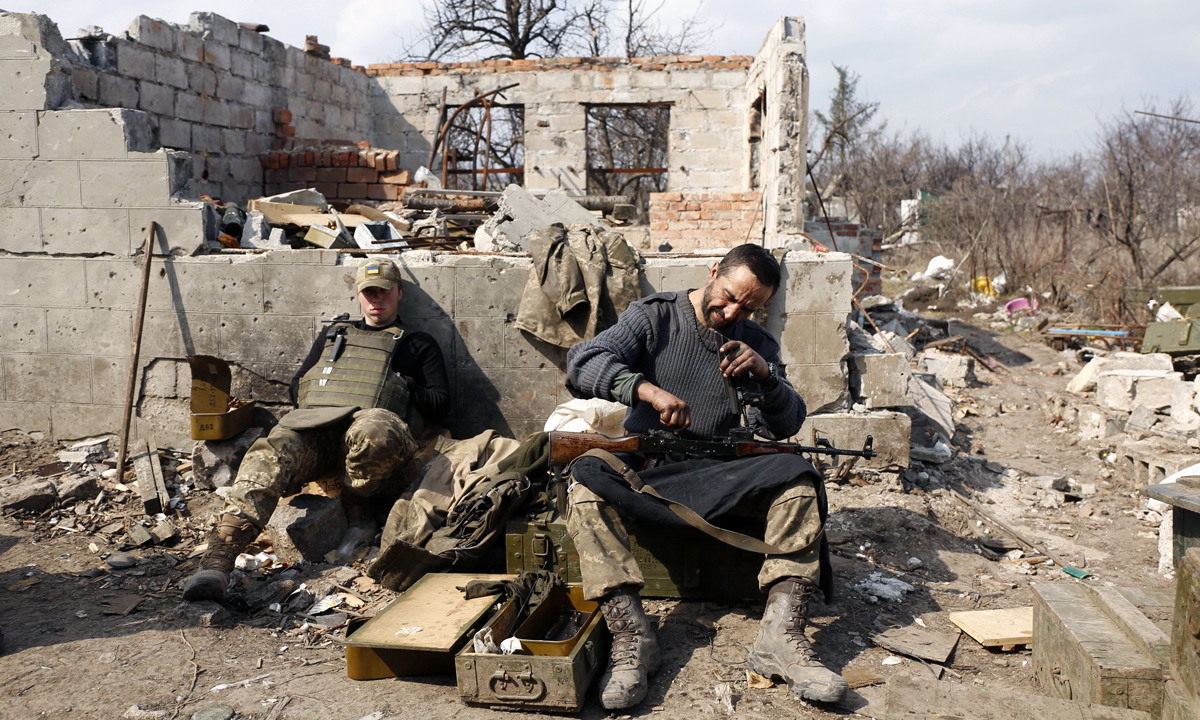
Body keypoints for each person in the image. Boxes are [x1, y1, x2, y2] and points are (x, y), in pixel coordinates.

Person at [564, 243, 844, 709]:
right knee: (586, 481)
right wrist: (645, 391)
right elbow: (583, 362)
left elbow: (790, 421)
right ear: (713, 271)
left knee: (798, 478)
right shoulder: (653, 317)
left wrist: (768, 377)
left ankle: (779, 638)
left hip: (721, 475)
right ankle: (634, 639)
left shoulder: (758, 342)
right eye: (729, 296)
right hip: (653, 470)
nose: (732, 311)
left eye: (748, 307)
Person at [183, 258, 450, 602]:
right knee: (271, 449)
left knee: (373, 430)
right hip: (320, 433)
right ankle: (218, 560)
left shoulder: (417, 343)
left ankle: (358, 513)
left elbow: (442, 405)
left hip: (379, 447)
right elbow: (297, 387)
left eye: (384, 292)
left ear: (399, 292)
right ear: (358, 295)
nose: (376, 300)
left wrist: (407, 384)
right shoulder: (333, 334)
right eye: (369, 292)